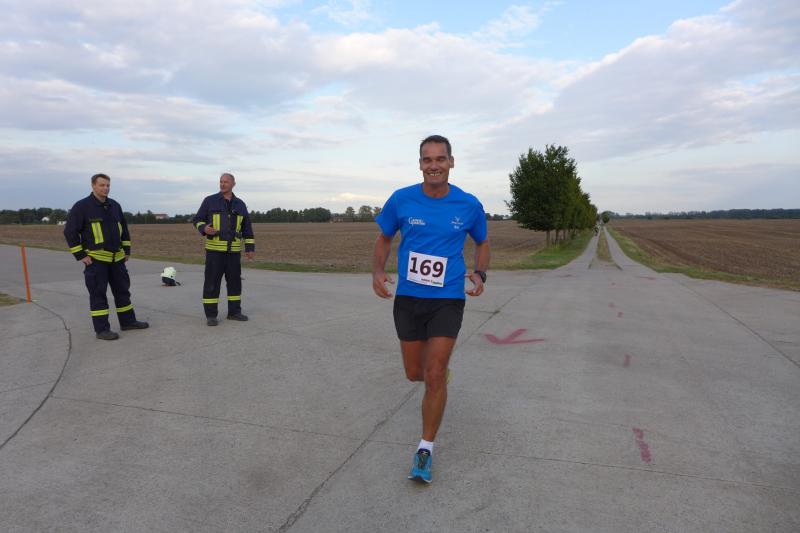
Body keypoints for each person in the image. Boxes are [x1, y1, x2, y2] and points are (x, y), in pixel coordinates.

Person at [372, 135, 490, 483]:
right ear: (420, 164)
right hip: (409, 298)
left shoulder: (468, 204)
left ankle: (425, 449)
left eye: (440, 158)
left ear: (451, 162)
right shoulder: (401, 199)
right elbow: (384, 237)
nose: (434, 165)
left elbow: (482, 242)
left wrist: (480, 273)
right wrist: (377, 271)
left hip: (448, 297)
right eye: (428, 159)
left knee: (434, 373)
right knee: (415, 373)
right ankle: (436, 377)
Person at [63, 173, 149, 340]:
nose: (106, 188)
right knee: (98, 295)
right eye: (102, 185)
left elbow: (124, 229)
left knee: (123, 292)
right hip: (96, 261)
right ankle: (102, 330)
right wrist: (80, 255)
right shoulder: (82, 207)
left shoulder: (114, 205)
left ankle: (128, 322)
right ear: (93, 186)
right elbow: (70, 232)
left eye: (108, 185)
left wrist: (127, 250)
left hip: (117, 259)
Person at [192, 173, 255, 326]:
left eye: (226, 182)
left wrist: (249, 247)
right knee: (212, 284)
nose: (222, 184)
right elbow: (197, 219)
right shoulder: (210, 200)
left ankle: (234, 312)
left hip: (233, 252)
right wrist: (204, 228)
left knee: (235, 283)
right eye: (221, 181)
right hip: (214, 252)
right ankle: (211, 315)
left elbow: (247, 227)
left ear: (233, 184)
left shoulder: (240, 204)